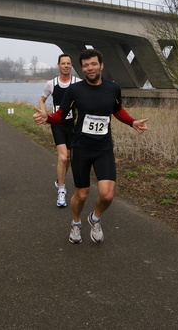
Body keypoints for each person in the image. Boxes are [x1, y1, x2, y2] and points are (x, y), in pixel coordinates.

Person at [33, 48, 148, 244]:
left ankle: (94, 218)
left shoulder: (113, 88)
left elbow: (117, 109)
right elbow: (60, 115)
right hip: (81, 148)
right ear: (82, 68)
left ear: (101, 65)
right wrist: (48, 118)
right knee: (82, 194)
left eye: (93, 64)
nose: (89, 68)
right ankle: (76, 223)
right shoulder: (75, 90)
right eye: (85, 65)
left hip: (103, 148)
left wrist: (132, 122)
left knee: (108, 194)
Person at [38, 54, 80, 207]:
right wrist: (44, 115)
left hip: (72, 124)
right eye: (63, 63)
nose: (66, 66)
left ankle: (59, 180)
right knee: (63, 157)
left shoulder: (77, 83)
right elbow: (42, 99)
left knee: (68, 157)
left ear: (71, 65)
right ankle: (61, 190)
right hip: (57, 124)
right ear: (58, 65)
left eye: (69, 63)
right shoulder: (51, 84)